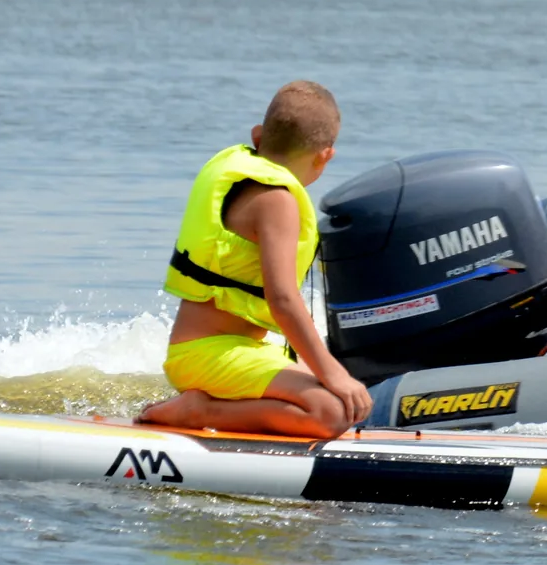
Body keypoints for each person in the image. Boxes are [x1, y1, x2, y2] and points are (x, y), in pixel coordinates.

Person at [141, 81, 373, 438]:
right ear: (325, 155)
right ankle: (199, 410)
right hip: (208, 356)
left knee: (338, 400)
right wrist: (334, 374)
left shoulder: (241, 173)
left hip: (227, 352)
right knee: (331, 412)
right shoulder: (276, 200)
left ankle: (209, 405)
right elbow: (282, 300)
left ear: (258, 136)